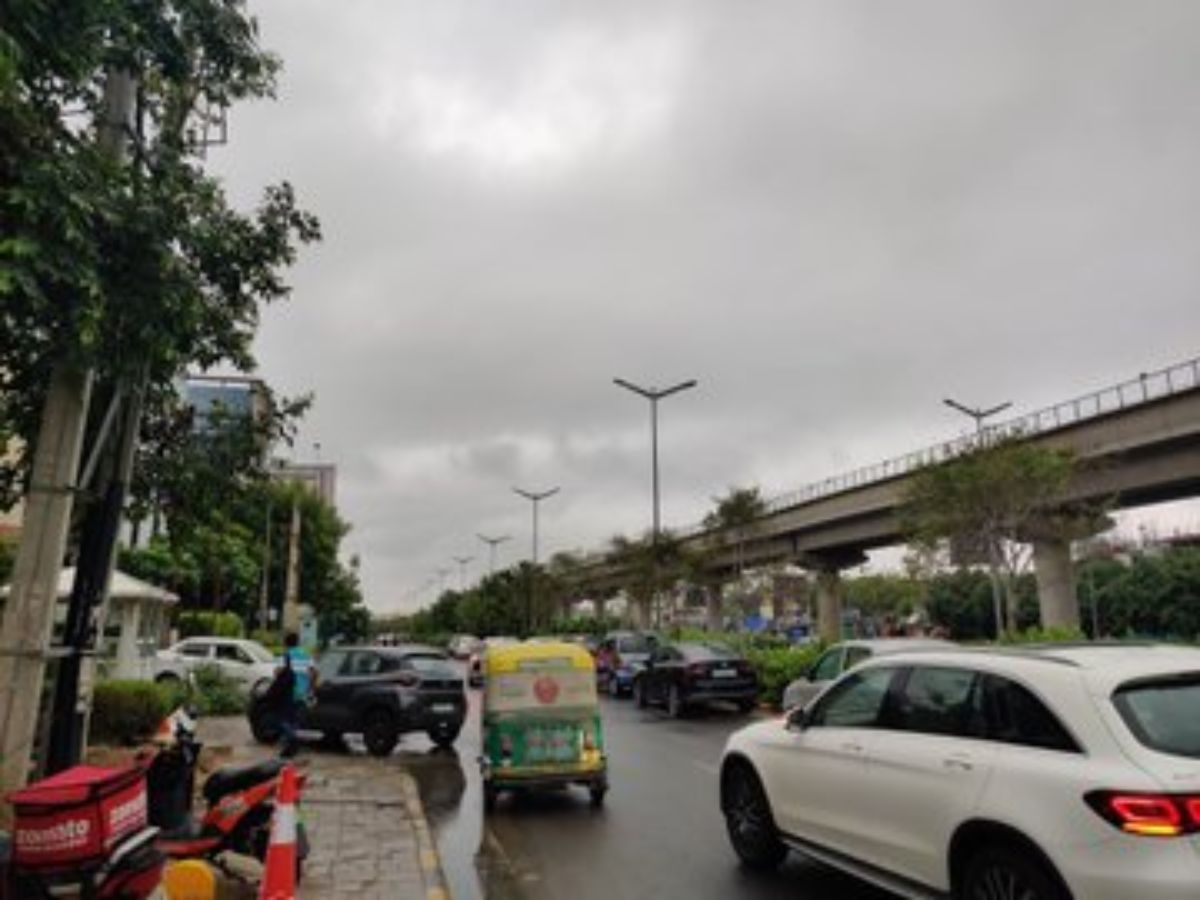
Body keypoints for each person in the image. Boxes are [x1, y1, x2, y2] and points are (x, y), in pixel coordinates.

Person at [274, 632, 312, 758]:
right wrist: (310, 688)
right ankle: (290, 746)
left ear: (286, 643)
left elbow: (277, 673)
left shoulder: (285, 655)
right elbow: (314, 672)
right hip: (303, 693)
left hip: (289, 693)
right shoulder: (306, 655)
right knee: (296, 720)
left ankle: (292, 740)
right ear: (298, 642)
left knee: (282, 720)